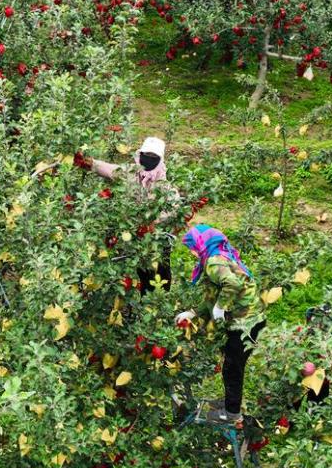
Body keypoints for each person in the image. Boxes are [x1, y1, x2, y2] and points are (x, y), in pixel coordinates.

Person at [175, 224, 264, 424]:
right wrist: (194, 312)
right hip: (249, 319)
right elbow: (214, 294)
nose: (192, 252)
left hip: (245, 323)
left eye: (192, 247)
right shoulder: (219, 256)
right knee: (231, 364)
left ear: (201, 244)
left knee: (233, 366)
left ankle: (231, 413)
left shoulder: (213, 262)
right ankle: (230, 402)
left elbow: (233, 283)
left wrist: (220, 306)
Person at [89, 136, 180, 294]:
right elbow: (110, 169)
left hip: (155, 236)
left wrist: (154, 221)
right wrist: (90, 163)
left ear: (160, 159)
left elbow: (173, 205)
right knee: (137, 269)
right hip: (133, 233)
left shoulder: (162, 183)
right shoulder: (130, 172)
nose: (149, 159)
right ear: (140, 154)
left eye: (153, 157)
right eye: (146, 155)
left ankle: (160, 299)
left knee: (160, 269)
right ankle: (138, 298)